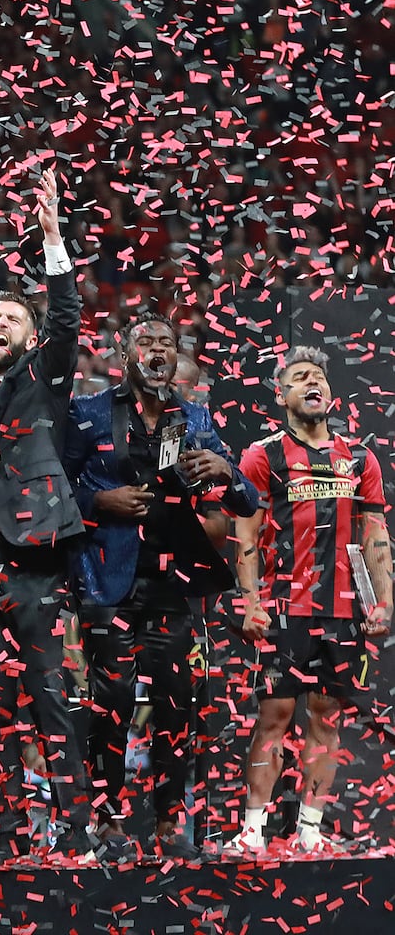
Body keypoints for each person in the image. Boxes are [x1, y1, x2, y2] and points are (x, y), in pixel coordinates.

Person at [0, 167, 94, 860]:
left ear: (28, 339)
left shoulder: (42, 378)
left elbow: (66, 320)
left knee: (46, 696)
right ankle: (3, 832)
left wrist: (54, 238)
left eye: (8, 319)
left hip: (32, 558)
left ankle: (73, 827)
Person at [64, 311, 257, 858]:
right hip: (108, 581)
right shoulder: (90, 412)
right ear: (124, 354)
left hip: (173, 583)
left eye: (166, 344)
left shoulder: (193, 419)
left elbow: (247, 501)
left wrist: (224, 469)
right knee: (113, 700)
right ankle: (105, 820)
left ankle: (172, 822)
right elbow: (54, 486)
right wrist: (99, 501)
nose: (156, 350)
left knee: (175, 706)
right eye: (144, 341)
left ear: (176, 359)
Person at [230, 346, 392, 854]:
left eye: (318, 377)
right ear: (282, 396)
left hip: (343, 613)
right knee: (274, 718)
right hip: (283, 610)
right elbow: (246, 534)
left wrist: (383, 601)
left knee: (326, 719)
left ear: (331, 393)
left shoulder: (360, 458)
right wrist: (251, 601)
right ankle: (252, 831)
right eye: (299, 378)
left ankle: (310, 832)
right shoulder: (263, 456)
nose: (311, 383)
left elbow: (376, 535)